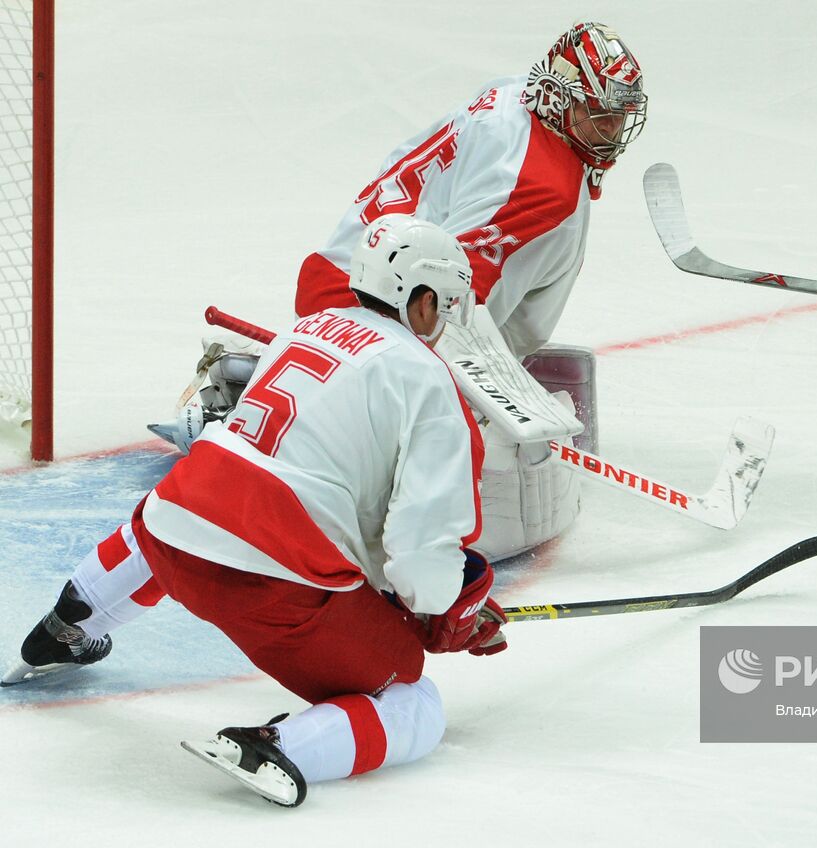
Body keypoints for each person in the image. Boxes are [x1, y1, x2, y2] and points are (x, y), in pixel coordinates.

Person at [4, 215, 507, 808]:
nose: (443, 322)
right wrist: (447, 606)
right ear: (420, 301)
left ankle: (71, 623)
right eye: (443, 305)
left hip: (169, 534)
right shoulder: (427, 381)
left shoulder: (308, 328)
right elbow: (420, 566)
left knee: (183, 511)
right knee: (412, 699)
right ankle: (280, 745)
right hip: (271, 586)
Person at [153, 20, 647, 561]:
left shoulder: (513, 97)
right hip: (367, 307)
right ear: (558, 97)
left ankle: (281, 373)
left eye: (619, 116)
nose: (611, 129)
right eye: (598, 113)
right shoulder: (543, 184)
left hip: (348, 272)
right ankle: (250, 411)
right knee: (451, 475)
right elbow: (443, 306)